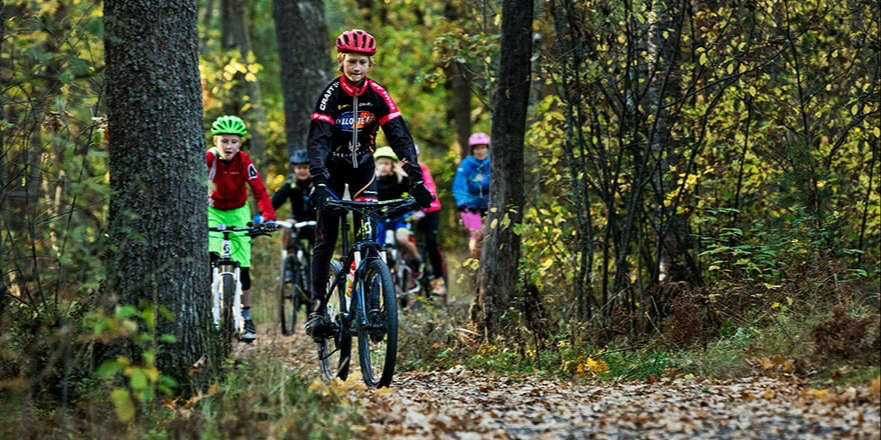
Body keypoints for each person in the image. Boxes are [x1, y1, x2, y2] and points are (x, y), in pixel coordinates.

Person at [305, 29, 434, 338]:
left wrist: (416, 178)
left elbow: (400, 137)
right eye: (351, 61)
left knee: (371, 242)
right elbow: (319, 142)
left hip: (363, 168)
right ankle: (317, 309)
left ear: (369, 64)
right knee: (325, 240)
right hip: (332, 171)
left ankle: (374, 310)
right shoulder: (331, 95)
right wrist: (319, 182)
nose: (357, 68)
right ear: (341, 61)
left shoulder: (377, 94)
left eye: (362, 62)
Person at [207, 115, 277, 342]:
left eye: (234, 142)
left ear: (240, 143)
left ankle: (247, 318)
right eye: (224, 141)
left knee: (243, 265)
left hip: (238, 212)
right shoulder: (208, 159)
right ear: (216, 141)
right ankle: (208, 308)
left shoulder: (244, 161)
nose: (229, 146)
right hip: (213, 211)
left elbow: (259, 190)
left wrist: (269, 217)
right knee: (210, 254)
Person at [271, 149, 316, 282]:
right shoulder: (290, 186)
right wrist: (263, 214)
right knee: (288, 226)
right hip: (297, 222)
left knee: (320, 246)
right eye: (299, 168)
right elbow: (275, 201)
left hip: (315, 222)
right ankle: (289, 265)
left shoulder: (317, 185)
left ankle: (321, 268)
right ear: (294, 169)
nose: (302, 171)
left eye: (305, 167)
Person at [373, 146, 421, 270]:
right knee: (378, 243)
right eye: (380, 164)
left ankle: (417, 260)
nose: (383, 166)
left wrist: (413, 205)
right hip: (382, 217)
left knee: (402, 239)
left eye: (386, 164)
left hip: (401, 217)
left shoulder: (402, 180)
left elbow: (413, 195)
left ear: (393, 165)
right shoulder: (373, 183)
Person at [409, 145, 446, 296]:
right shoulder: (396, 171)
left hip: (430, 210)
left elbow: (429, 189)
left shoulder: (422, 169)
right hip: (408, 213)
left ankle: (438, 278)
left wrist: (421, 210)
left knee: (431, 242)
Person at [453, 132, 491, 260]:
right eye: (476, 148)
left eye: (482, 148)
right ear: (472, 150)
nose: (480, 151)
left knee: (490, 234)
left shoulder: (493, 163)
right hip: (470, 206)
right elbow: (459, 185)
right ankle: (477, 265)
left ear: (487, 148)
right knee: (477, 234)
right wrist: (462, 203)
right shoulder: (466, 164)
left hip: (490, 205)